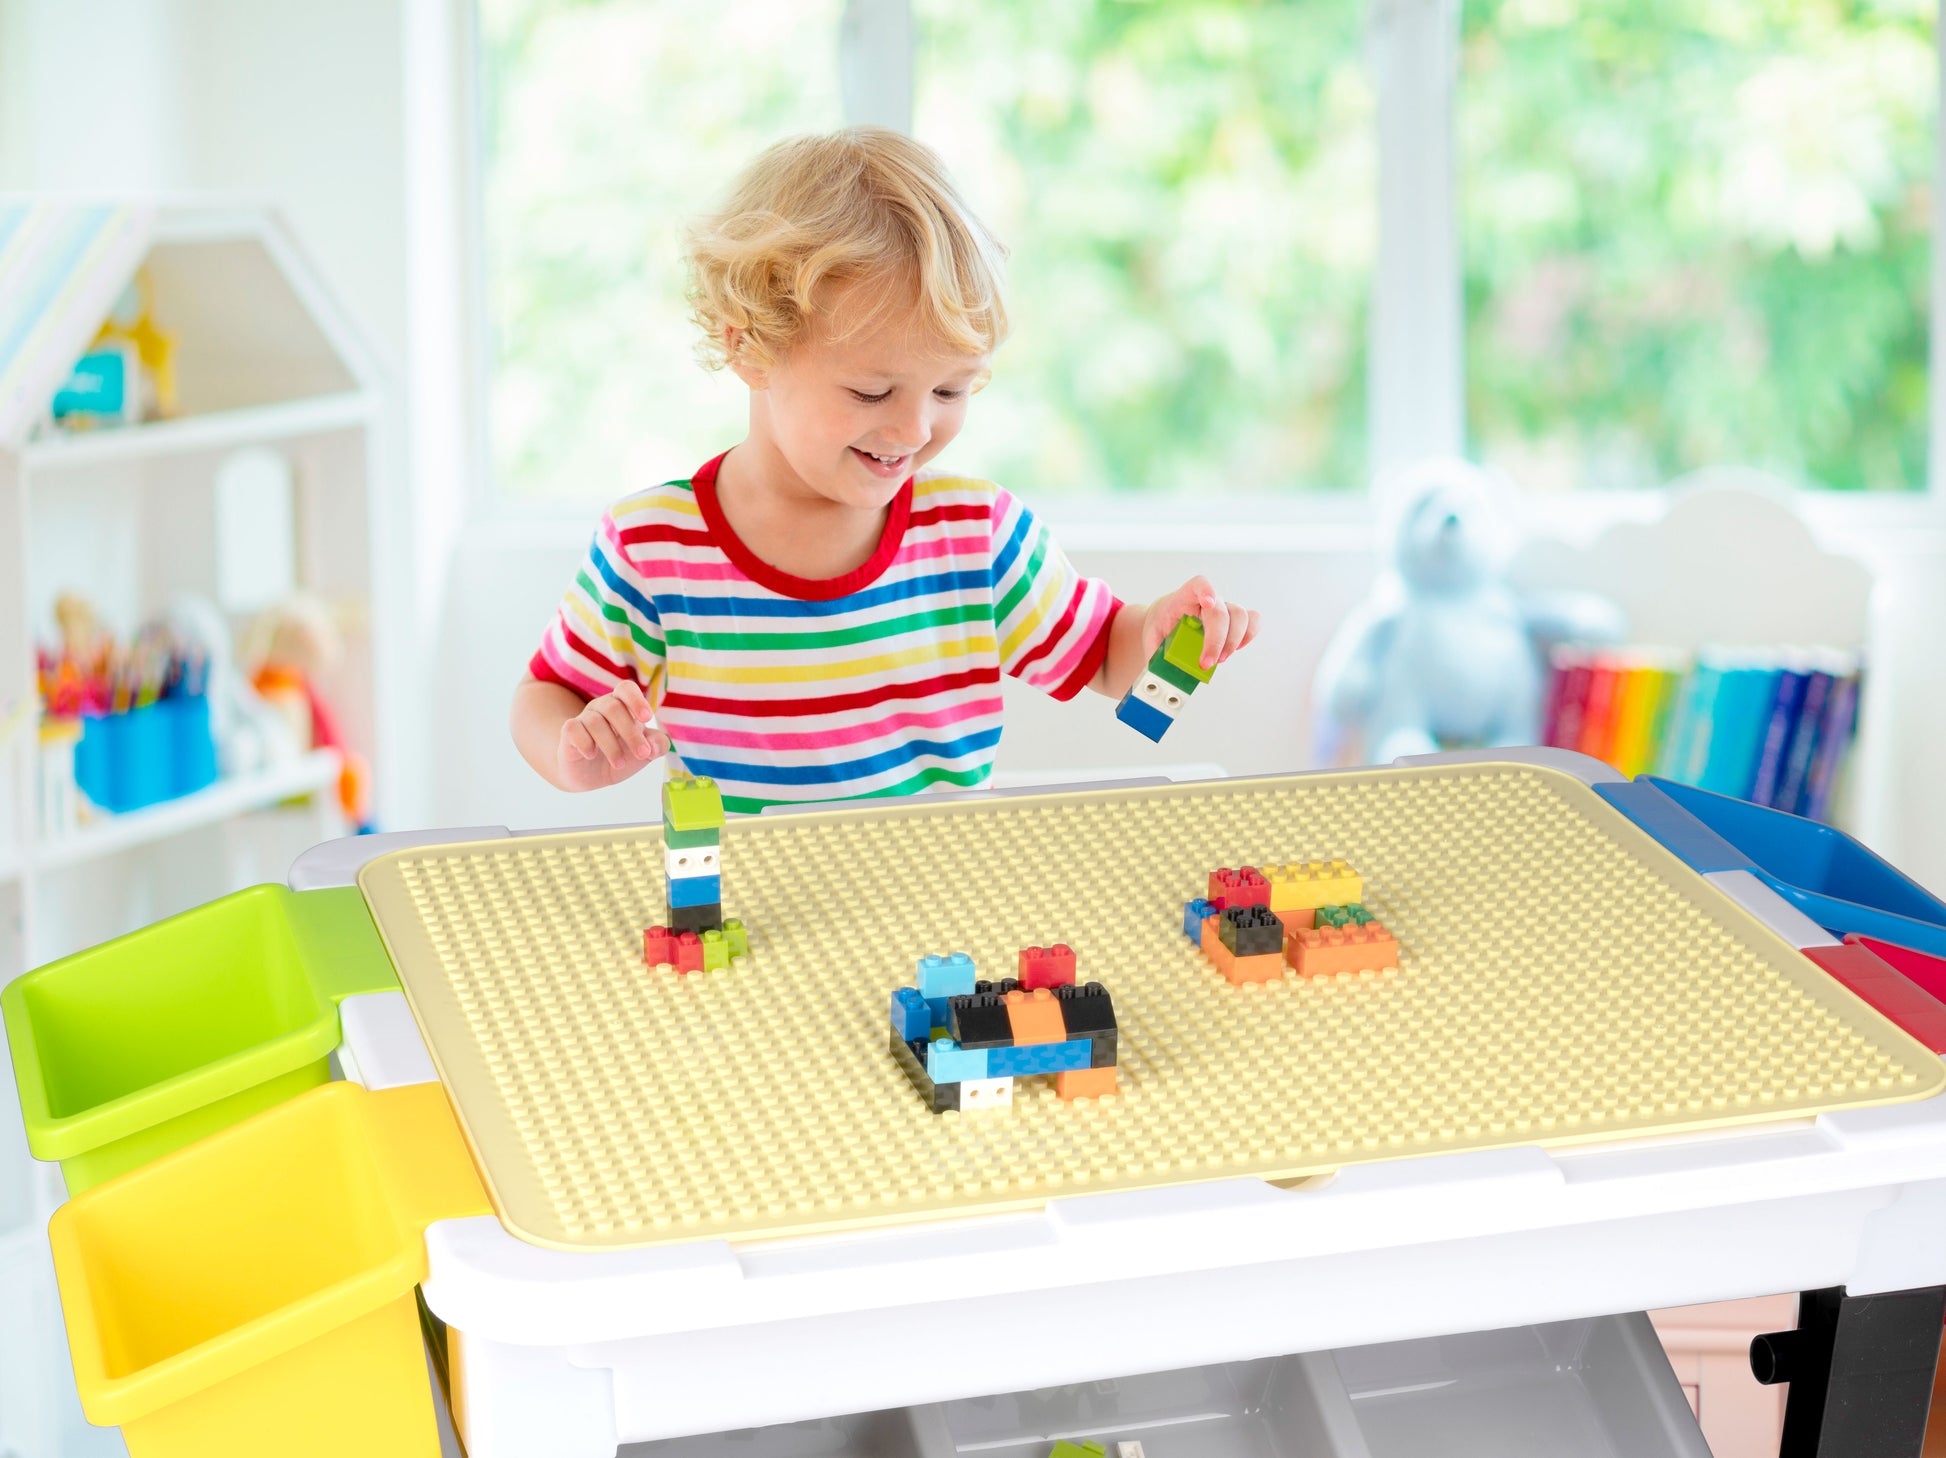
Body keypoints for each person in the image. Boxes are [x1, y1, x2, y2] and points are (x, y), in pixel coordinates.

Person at [512, 127, 1259, 813]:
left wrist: (1159, 632)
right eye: (872, 392)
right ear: (750, 349)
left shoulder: (977, 535)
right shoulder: (655, 549)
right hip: (749, 926)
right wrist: (572, 752)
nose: (914, 428)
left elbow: (1102, 656)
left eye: (950, 390)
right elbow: (546, 694)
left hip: (935, 920)